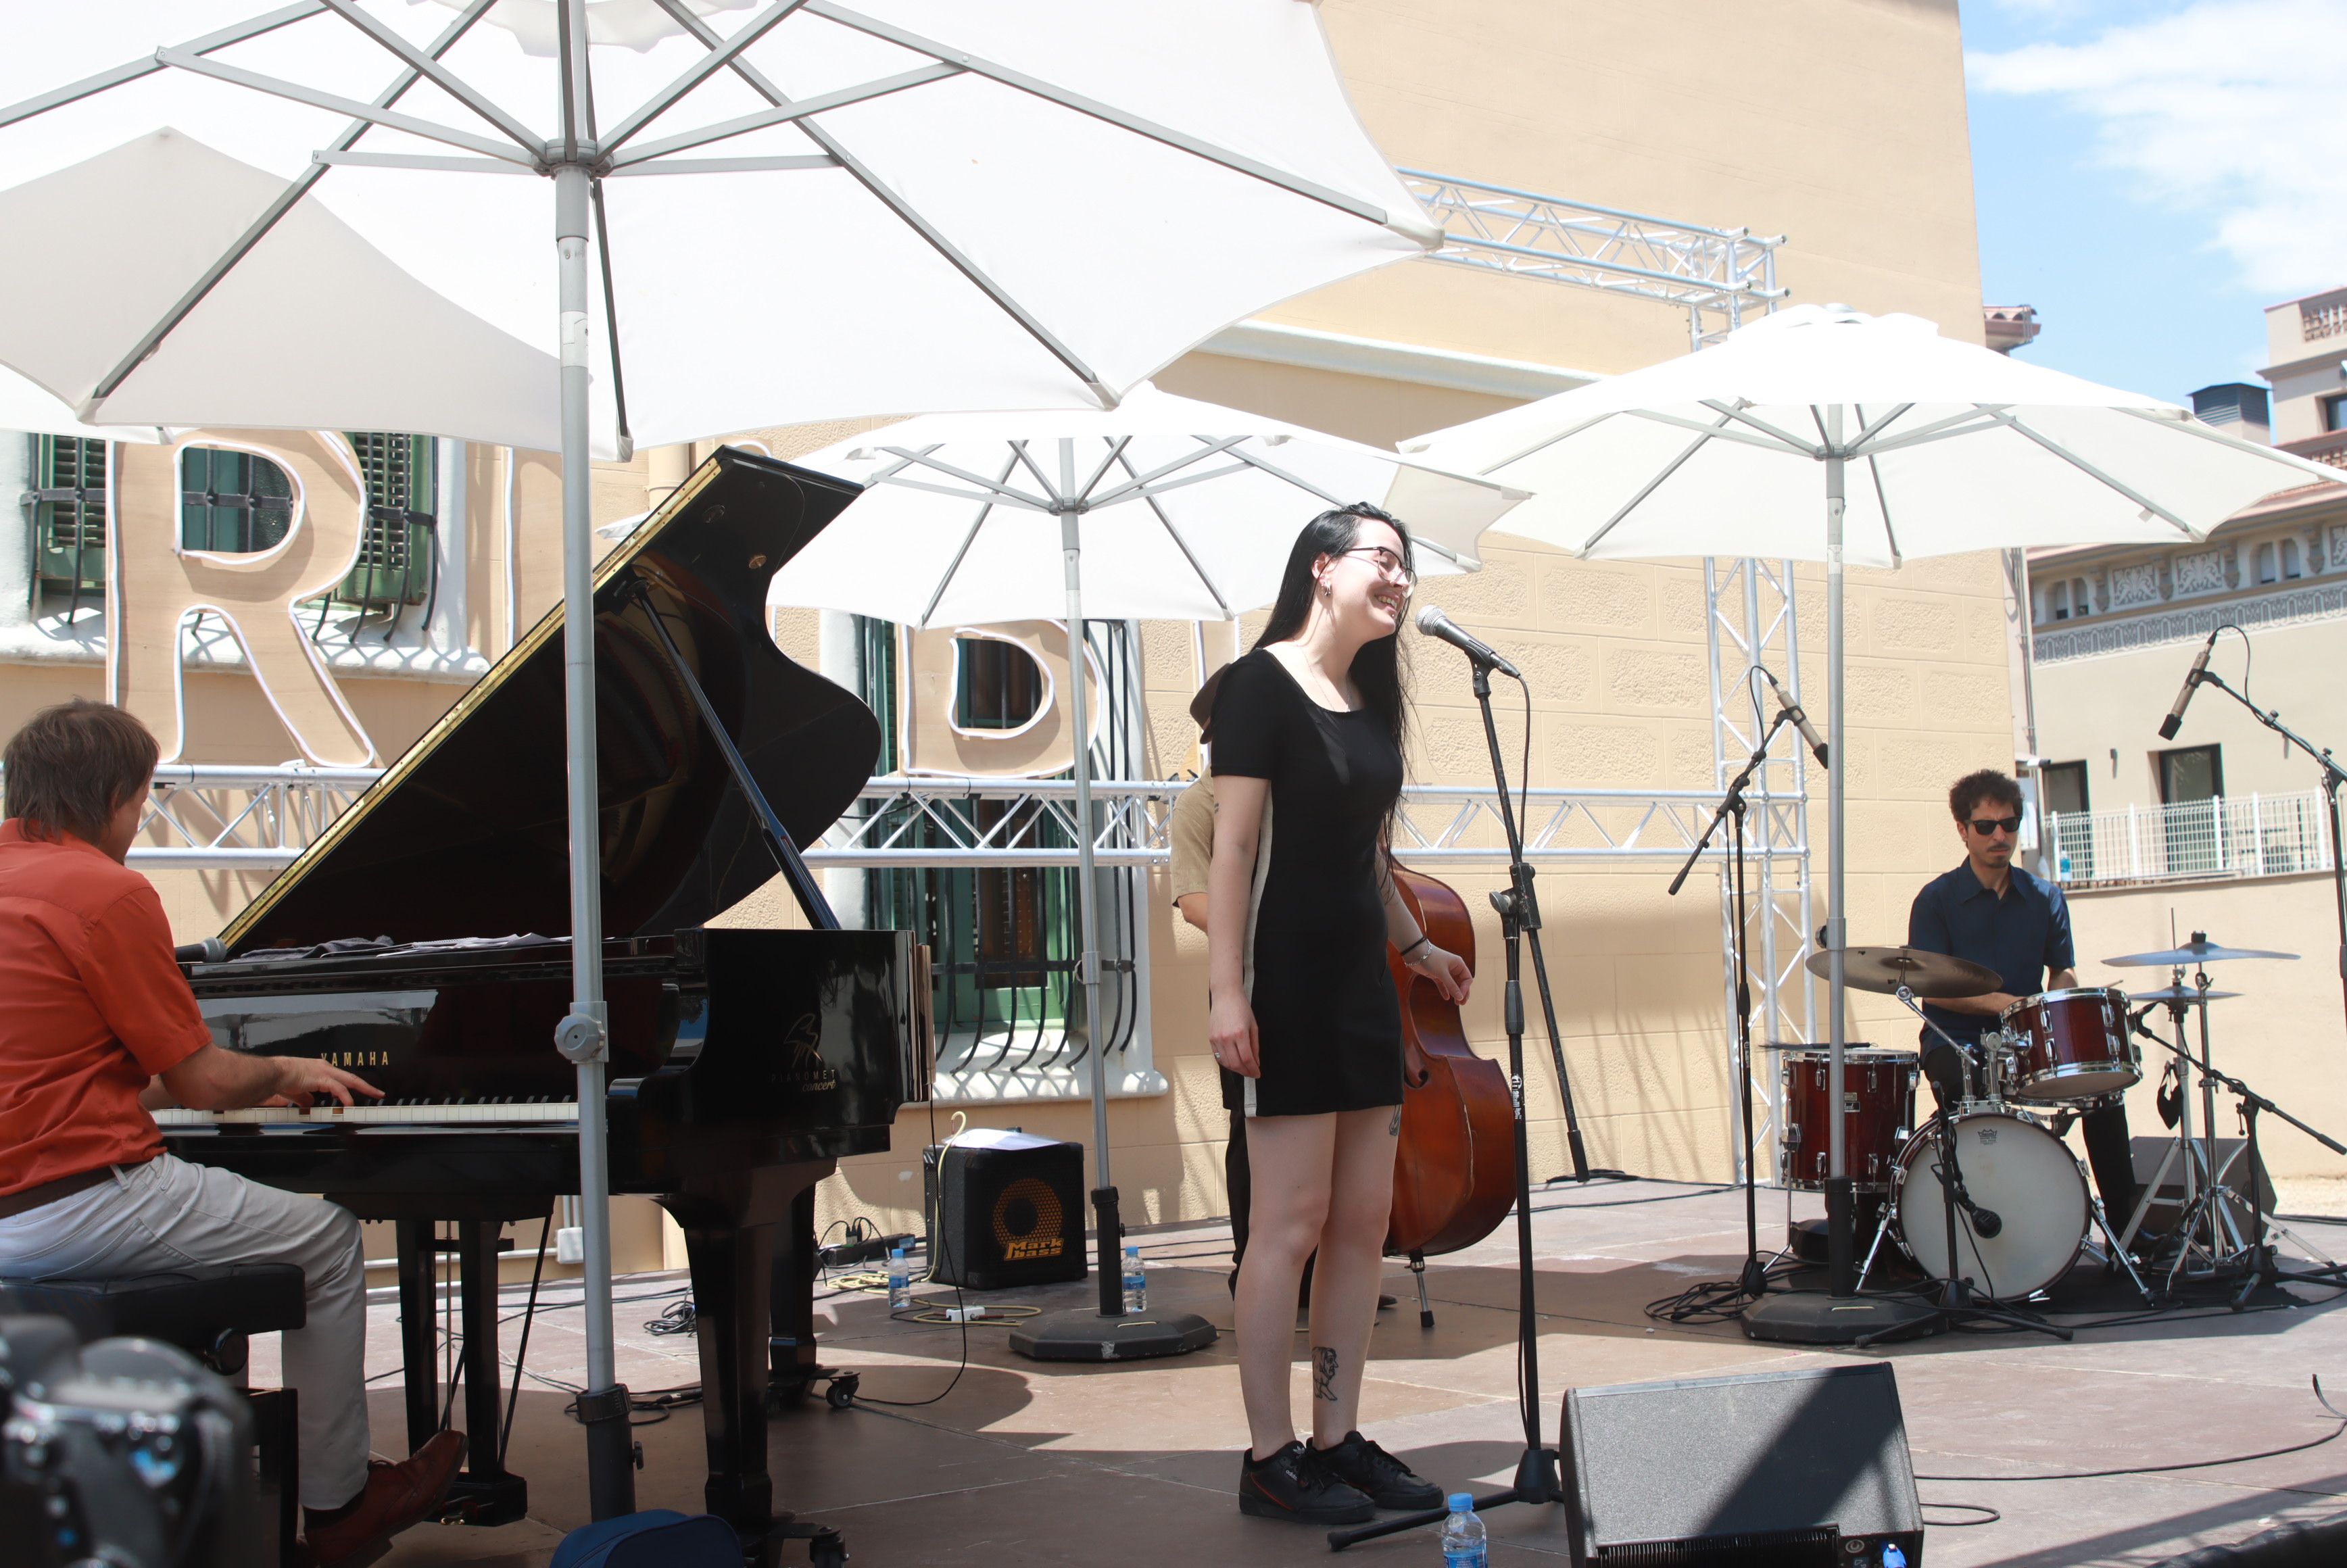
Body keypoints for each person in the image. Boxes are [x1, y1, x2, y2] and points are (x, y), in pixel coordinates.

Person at [0, 699, 466, 1565]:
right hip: (71, 1205)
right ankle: (339, 1508)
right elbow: (207, 1081)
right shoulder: (105, 891)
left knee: (225, 1234)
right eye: (142, 802)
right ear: (112, 798)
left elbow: (59, 1066)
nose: (139, 824)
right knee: (325, 1239)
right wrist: (289, 1071)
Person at [1207, 504, 1473, 1526]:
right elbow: (1232, 852)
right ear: (1323, 569)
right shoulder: (1257, 688)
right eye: (1385, 559)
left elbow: (1366, 853)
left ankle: (1337, 1435)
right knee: (1288, 1226)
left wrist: (1418, 946)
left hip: (1363, 988)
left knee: (1363, 1221)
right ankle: (1271, 1456)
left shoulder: (1368, 697)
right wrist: (1229, 991)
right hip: (1284, 986)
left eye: (1409, 564)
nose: (1402, 579)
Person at [1166, 689, 1396, 1313]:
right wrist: (1275, 930)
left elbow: (1371, 871)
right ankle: (1262, 1275)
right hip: (1258, 989)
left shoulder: (1304, 790)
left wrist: (1419, 948)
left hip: (1334, 991)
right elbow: (1193, 901)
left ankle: (1334, 1275)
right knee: (1254, 1138)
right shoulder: (1199, 804)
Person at [1907, 768, 2140, 1235]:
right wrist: (2012, 1005)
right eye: (1986, 826)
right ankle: (1967, 1225)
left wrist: (2062, 1008)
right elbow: (1931, 988)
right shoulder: (1936, 900)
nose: (2000, 836)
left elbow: (2062, 968)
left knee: (2103, 1088)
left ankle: (2127, 1232)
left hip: (2030, 1041)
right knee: (1961, 1083)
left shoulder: (2045, 897)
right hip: (1957, 1043)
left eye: (2010, 825)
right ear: (1963, 831)